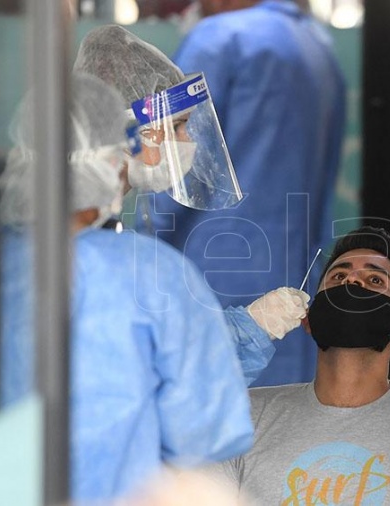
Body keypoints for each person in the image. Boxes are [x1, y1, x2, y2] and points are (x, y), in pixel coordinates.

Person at [0, 72, 254, 502]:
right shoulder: (150, 273)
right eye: (177, 126)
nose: (187, 140)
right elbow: (204, 434)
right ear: (115, 156)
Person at [73, 24, 310, 384]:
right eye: (178, 126)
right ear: (129, 134)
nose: (189, 140)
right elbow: (150, 361)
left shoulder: (101, 222)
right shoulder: (80, 233)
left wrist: (249, 327)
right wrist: (249, 330)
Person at [211, 226, 390, 505]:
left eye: (375, 280)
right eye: (338, 276)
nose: (352, 282)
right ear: (308, 319)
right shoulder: (246, 414)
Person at [150, 0, 347, 386]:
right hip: (295, 288)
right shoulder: (316, 45)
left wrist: (132, 250)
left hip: (213, 277)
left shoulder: (217, 40)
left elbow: (168, 164)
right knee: (283, 415)